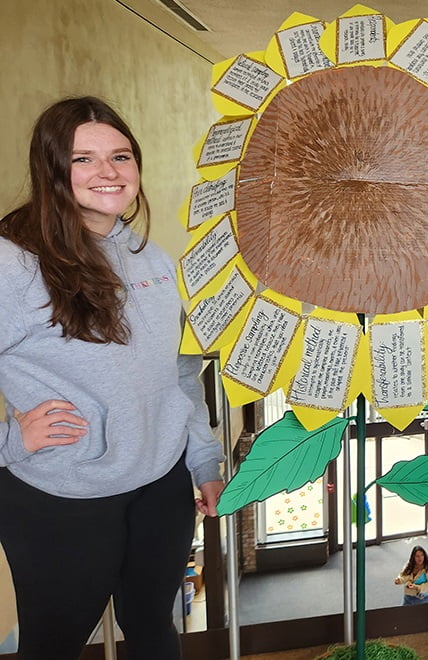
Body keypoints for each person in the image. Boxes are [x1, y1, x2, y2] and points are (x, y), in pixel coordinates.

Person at [0, 96, 225, 659]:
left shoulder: (153, 259)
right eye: (83, 159)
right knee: (53, 645)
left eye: (121, 156)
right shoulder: (13, 263)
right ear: (51, 170)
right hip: (63, 496)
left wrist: (203, 461)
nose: (108, 172)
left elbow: (179, 369)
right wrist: (11, 439)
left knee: (153, 627)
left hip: (161, 485)